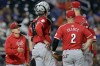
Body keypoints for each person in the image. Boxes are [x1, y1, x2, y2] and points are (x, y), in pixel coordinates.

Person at [28, 1, 57, 66]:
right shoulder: (43, 19)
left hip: (35, 49)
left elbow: (30, 40)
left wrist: (32, 52)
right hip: (44, 47)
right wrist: (44, 41)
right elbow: (38, 28)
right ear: (46, 10)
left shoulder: (31, 23)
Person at [72, 1, 98, 66]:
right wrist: (94, 54)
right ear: (80, 8)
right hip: (86, 48)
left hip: (79, 48)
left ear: (72, 8)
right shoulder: (84, 19)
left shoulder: (74, 20)